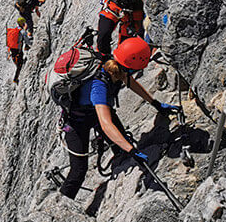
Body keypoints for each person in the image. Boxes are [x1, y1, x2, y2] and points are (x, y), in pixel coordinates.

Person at [59, 37, 177, 199]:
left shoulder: (114, 65)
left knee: (122, 147)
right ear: (129, 68)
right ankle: (61, 204)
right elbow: (106, 124)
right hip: (77, 123)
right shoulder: (99, 85)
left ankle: (120, 156)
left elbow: (130, 83)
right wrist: (132, 150)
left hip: (94, 113)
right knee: (78, 171)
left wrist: (155, 103)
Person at [7, 17, 30, 84]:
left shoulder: (14, 30)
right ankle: (15, 79)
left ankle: (16, 77)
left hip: (12, 51)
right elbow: (27, 41)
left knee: (18, 64)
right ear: (23, 24)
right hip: (18, 52)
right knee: (19, 66)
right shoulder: (22, 32)